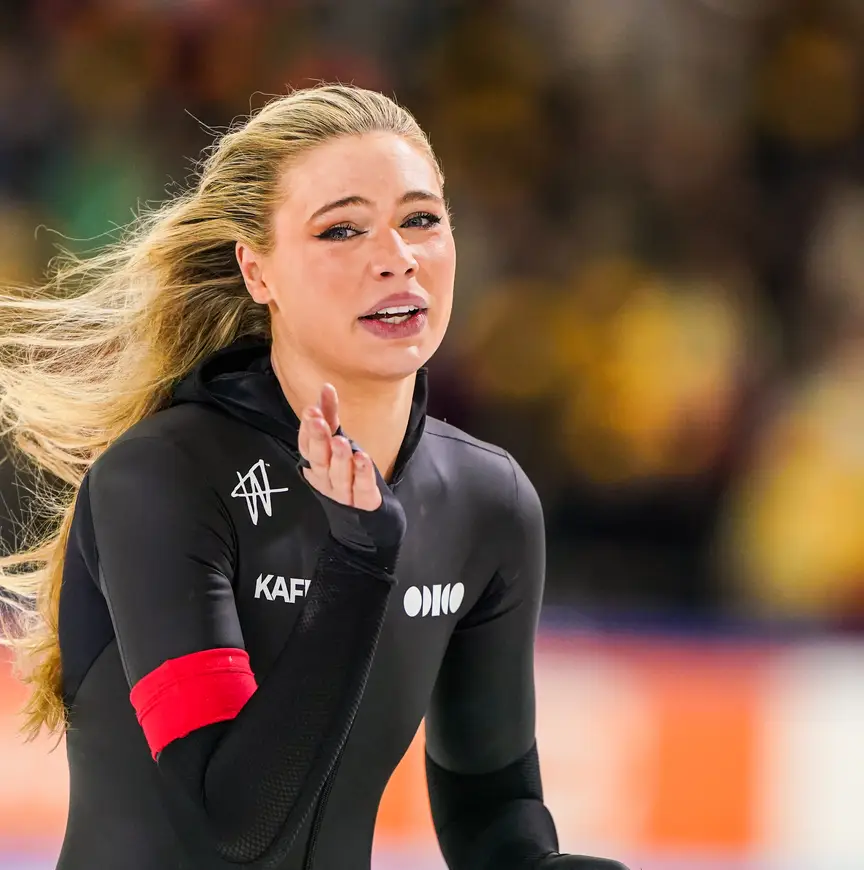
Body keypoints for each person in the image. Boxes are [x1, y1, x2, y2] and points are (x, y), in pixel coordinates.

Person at [0, 85, 629, 870]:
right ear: (256, 272)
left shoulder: (485, 501)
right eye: (341, 229)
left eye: (422, 219)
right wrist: (357, 563)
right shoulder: (163, 479)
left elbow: (490, 798)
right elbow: (234, 824)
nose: (396, 256)